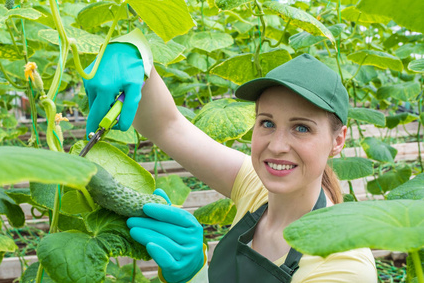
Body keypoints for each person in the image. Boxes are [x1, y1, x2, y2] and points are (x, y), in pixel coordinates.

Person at [83, 30, 377, 283]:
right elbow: (167, 125)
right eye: (267, 123)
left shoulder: (344, 265)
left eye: (301, 128)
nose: (276, 145)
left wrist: (195, 276)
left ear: (338, 141)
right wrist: (134, 53)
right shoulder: (257, 187)